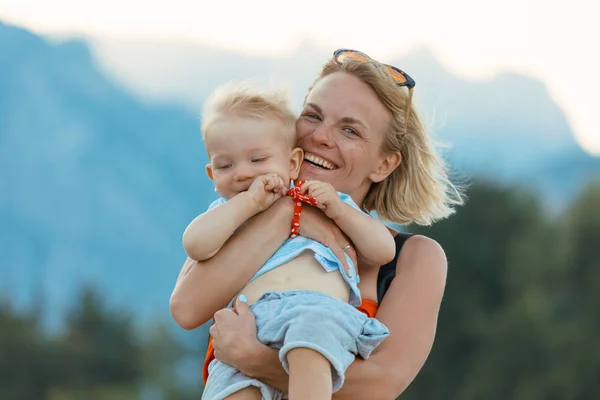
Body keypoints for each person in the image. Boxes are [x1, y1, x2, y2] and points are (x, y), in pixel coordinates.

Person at [170, 49, 464, 400]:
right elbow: (187, 309)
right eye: (312, 116)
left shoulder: (414, 258)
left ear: (384, 165)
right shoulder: (242, 213)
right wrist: (289, 215)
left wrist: (255, 359)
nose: (321, 136)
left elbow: (381, 383)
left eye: (350, 130)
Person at [182, 81, 396, 400]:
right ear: (212, 176)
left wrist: (338, 210)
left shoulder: (326, 203)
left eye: (258, 161)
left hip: (313, 311)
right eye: (226, 165)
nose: (242, 174)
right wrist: (247, 205)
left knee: (312, 353)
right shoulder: (226, 213)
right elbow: (196, 245)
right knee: (231, 388)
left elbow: (382, 250)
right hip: (250, 321)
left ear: (292, 162)